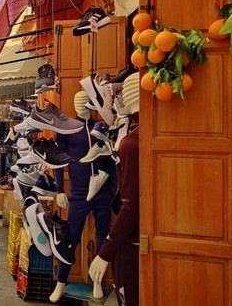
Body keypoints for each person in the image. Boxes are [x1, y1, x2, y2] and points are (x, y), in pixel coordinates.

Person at [50, 90, 116, 303]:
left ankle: (97, 281)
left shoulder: (101, 126)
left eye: (84, 102)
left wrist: (115, 187)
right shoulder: (68, 129)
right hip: (78, 193)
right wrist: (60, 189)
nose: (80, 106)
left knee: (103, 234)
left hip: (103, 191)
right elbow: (57, 160)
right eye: (77, 102)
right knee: (70, 238)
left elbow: (111, 158)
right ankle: (61, 281)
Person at [89, 73, 141, 306]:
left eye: (120, 94)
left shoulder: (132, 144)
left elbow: (130, 205)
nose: (117, 99)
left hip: (131, 241)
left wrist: (105, 251)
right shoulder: (142, 136)